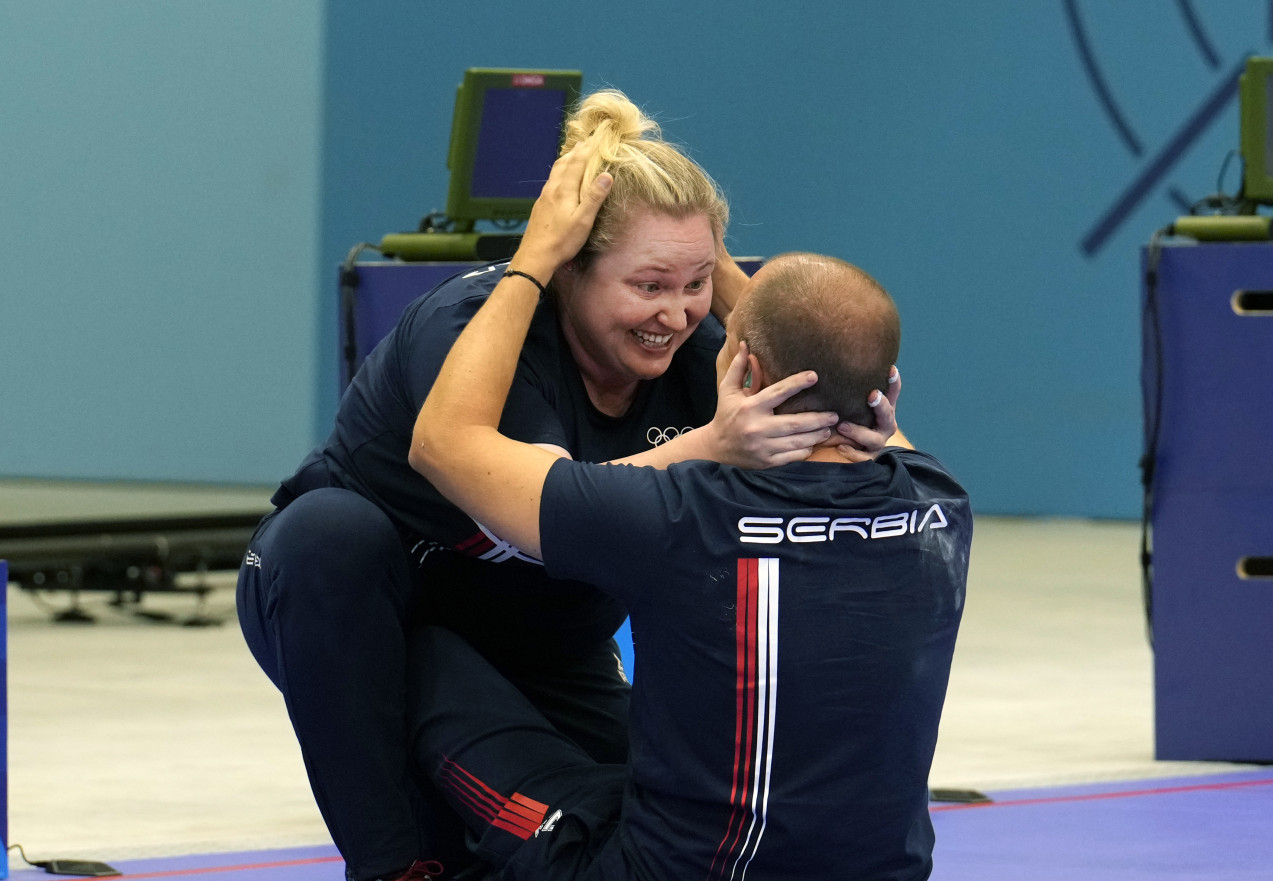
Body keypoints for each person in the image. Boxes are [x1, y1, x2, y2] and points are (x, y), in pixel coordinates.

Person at [236, 90, 871, 881]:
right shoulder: (471, 329)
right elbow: (542, 505)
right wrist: (709, 444)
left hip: (543, 638)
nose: (674, 316)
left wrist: (758, 320)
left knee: (651, 826)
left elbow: (851, 457)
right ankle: (392, 866)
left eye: (696, 284)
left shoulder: (707, 351)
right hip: (373, 613)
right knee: (329, 537)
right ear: (570, 270)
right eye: (648, 286)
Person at [405, 135, 972, 880]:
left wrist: (535, 260)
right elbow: (853, 382)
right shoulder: (942, 504)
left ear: (747, 365)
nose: (685, 320)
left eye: (703, 297)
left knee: (413, 650)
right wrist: (706, 263)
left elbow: (443, 442)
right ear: (885, 390)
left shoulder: (678, 513)